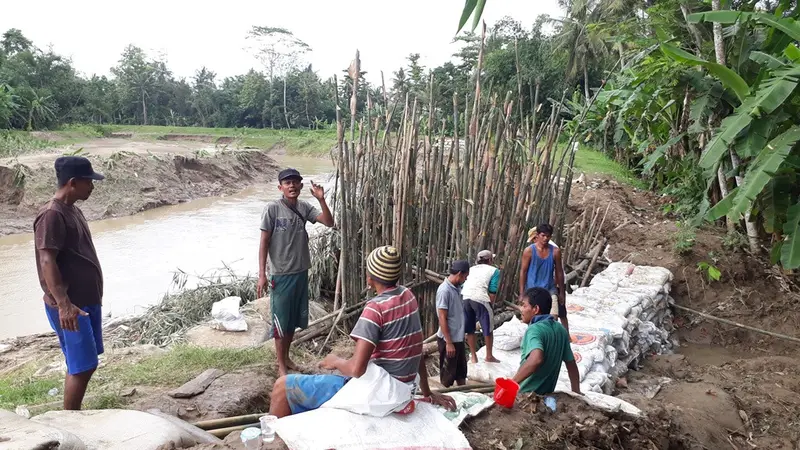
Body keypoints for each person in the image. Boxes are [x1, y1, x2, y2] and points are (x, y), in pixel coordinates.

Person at [268, 246, 456, 417]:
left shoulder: (375, 309)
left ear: (370, 278)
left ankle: (273, 442)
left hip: (382, 393)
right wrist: (427, 392)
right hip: (404, 389)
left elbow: (357, 369)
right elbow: (416, 349)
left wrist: (335, 361)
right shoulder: (408, 296)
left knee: (281, 387)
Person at [34, 156, 105, 410]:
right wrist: (64, 304)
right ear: (73, 183)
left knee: (82, 361)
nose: (92, 187)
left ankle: (71, 414)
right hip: (71, 306)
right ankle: (70, 418)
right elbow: (46, 261)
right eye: (89, 182)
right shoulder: (51, 214)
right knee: (84, 364)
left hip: (85, 300)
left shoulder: (73, 210)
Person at [258, 168, 334, 377]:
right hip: (280, 274)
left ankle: (287, 358)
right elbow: (264, 241)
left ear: (301, 186)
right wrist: (262, 275)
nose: (292, 186)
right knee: (281, 321)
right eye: (287, 182)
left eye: (295, 182)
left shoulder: (304, 207)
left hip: (301, 271)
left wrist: (321, 200)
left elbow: (329, 222)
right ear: (280, 187)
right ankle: (281, 364)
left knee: (292, 320)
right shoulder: (272, 209)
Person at [512, 287, 581, 395]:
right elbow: (571, 364)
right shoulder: (560, 329)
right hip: (546, 395)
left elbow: (536, 359)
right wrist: (576, 392)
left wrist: (512, 383)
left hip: (526, 394)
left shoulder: (534, 330)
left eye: (524, 305)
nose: (521, 309)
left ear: (536, 309)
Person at [519, 223, 569, 335]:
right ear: (537, 235)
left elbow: (559, 272)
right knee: (532, 317)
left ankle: (555, 337)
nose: (545, 238)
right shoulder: (529, 251)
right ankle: (534, 337)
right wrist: (522, 293)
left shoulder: (555, 251)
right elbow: (523, 271)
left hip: (549, 288)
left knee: (553, 316)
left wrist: (561, 292)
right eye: (543, 235)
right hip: (533, 289)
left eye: (548, 236)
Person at [461, 250, 501, 363]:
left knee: (470, 328)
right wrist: (490, 306)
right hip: (481, 298)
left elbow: (465, 283)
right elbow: (493, 290)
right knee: (488, 328)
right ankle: (489, 356)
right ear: (489, 260)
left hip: (466, 297)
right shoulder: (494, 270)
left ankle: (473, 357)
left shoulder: (471, 269)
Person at [436, 260, 469, 387]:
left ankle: (464, 395)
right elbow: (442, 317)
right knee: (447, 376)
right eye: (465, 277)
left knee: (461, 372)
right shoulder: (444, 291)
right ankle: (447, 400)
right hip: (448, 339)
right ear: (460, 274)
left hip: (458, 337)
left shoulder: (457, 288)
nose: (465, 279)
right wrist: (449, 343)